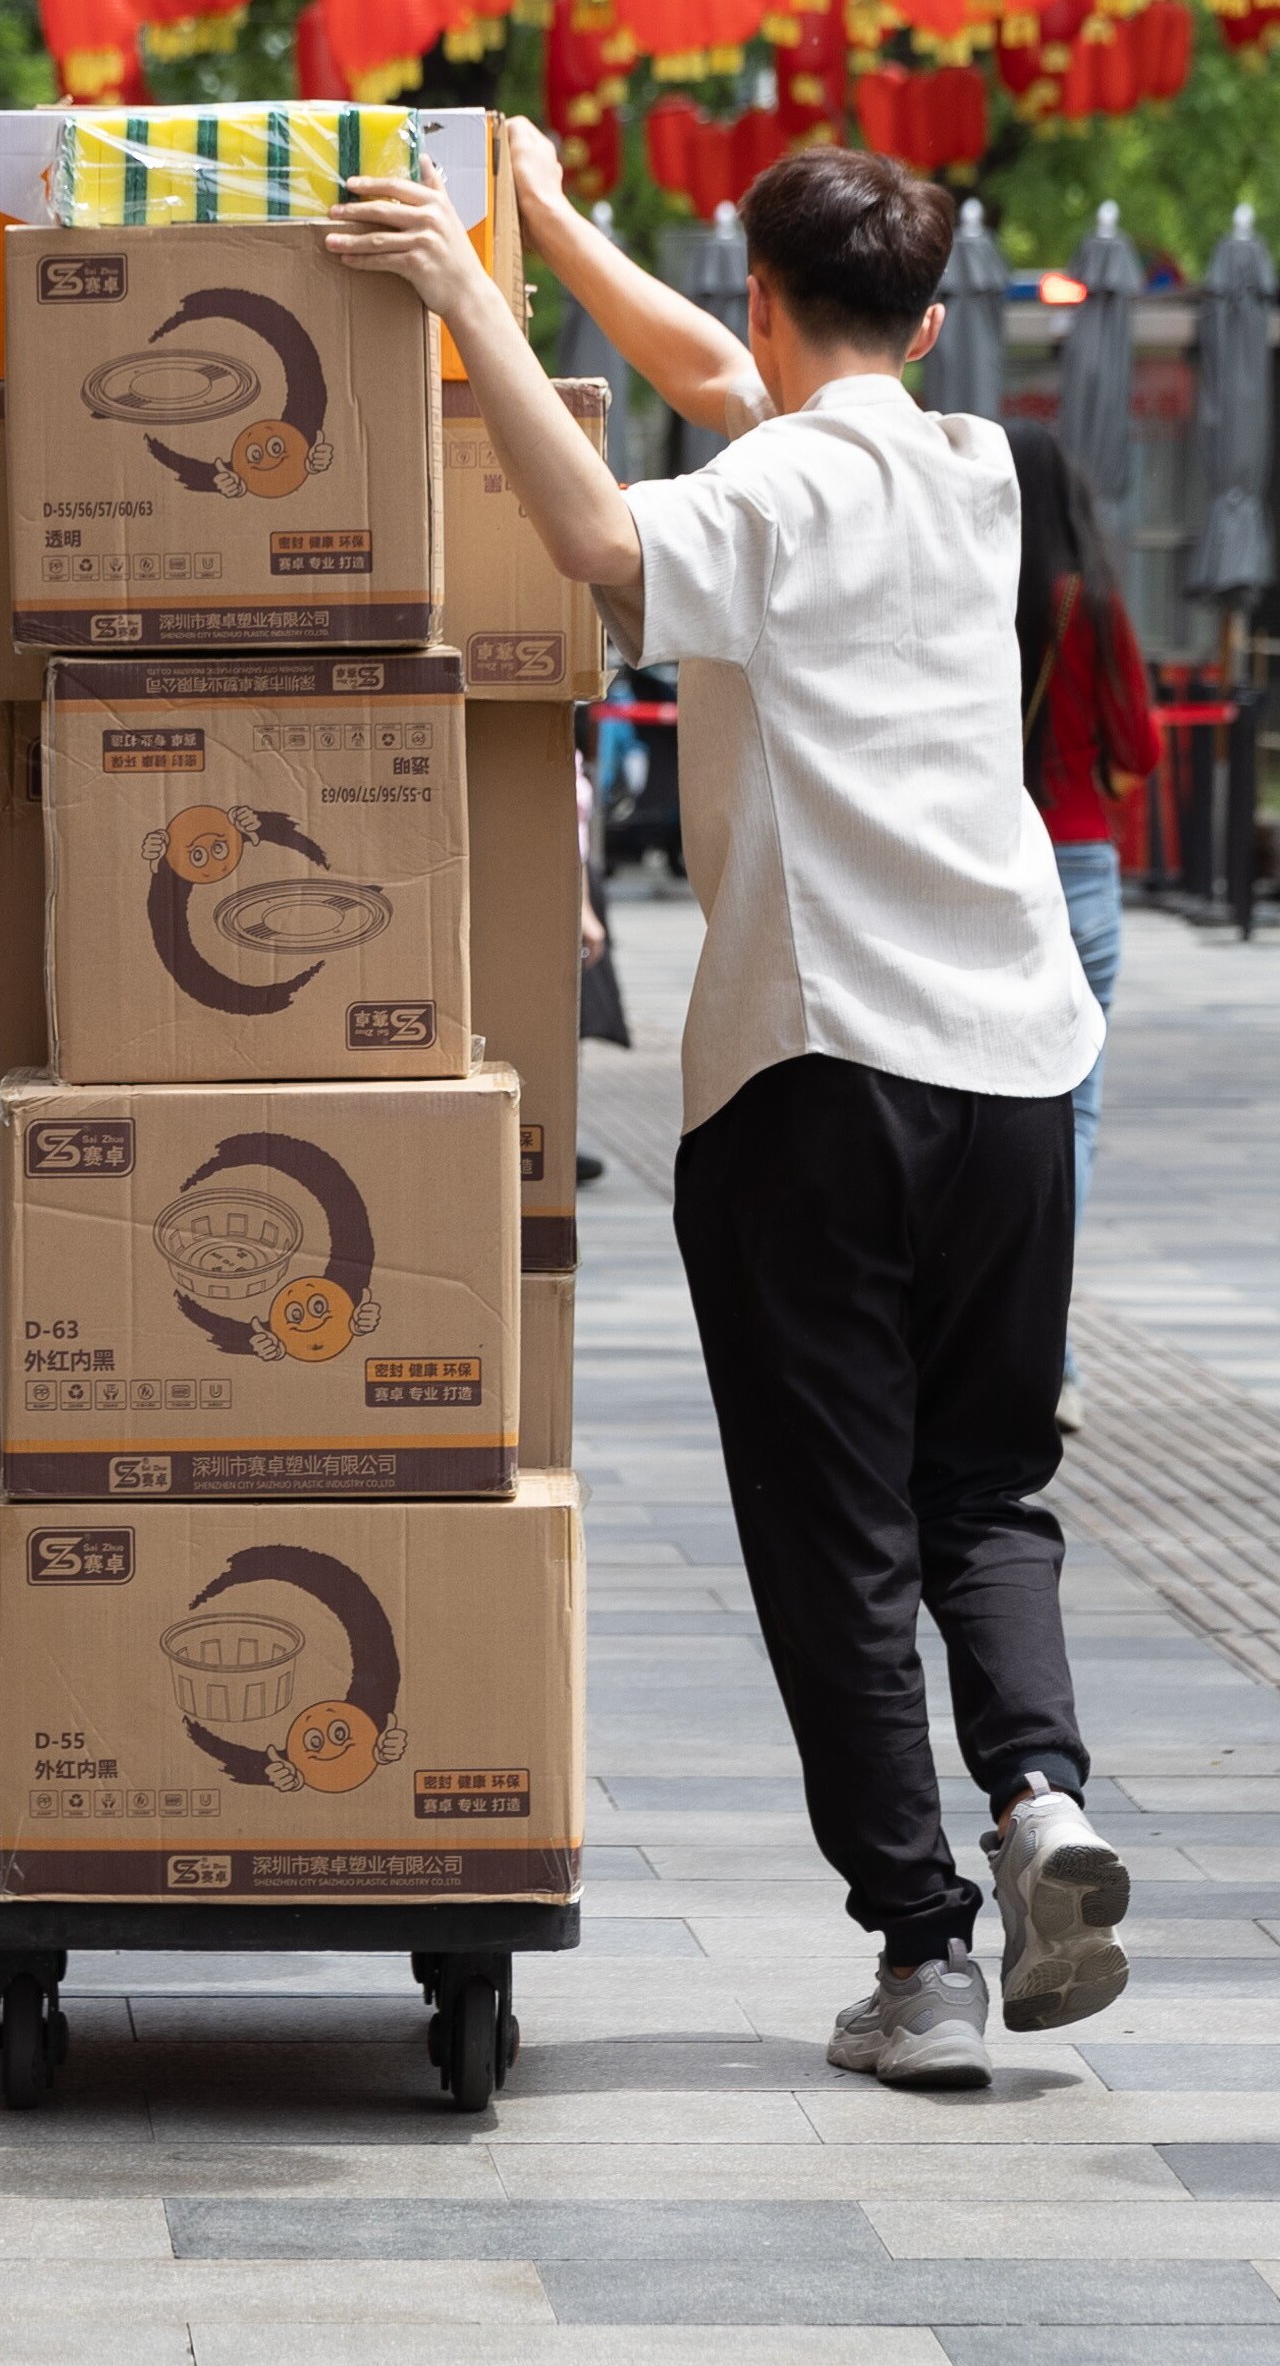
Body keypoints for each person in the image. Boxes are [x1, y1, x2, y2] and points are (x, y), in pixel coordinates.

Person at [330, 132, 1123, 2093]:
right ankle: (1035, 1792)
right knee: (983, 1487)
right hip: (1020, 1062)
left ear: (764, 292)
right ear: (926, 325)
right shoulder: (978, 467)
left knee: (835, 1529)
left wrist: (462, 283)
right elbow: (712, 373)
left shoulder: (765, 486)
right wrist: (545, 215)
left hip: (817, 1069)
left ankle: (920, 1954)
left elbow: (602, 540)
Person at [1003, 418, 1159, 1436]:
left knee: (994, 1110)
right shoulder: (1090, 605)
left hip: (988, 870)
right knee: (1076, 1117)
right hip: (1081, 866)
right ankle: (1046, 1356)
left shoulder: (965, 599)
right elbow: (1138, 746)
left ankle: (1014, 1347)